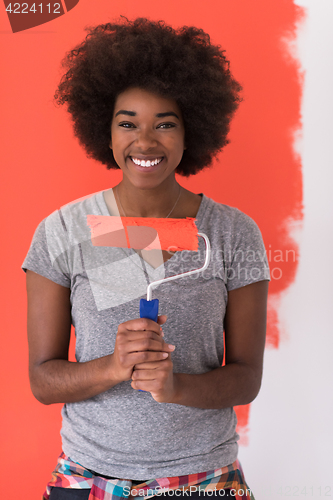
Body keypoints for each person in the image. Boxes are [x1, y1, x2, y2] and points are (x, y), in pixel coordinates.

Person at [22, 18, 270, 500]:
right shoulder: (63, 230)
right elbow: (43, 380)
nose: (145, 142)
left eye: (165, 123)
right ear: (106, 130)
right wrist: (112, 366)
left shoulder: (232, 232)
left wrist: (177, 387)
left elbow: (246, 377)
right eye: (128, 123)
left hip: (204, 480)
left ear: (191, 129)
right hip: (88, 477)